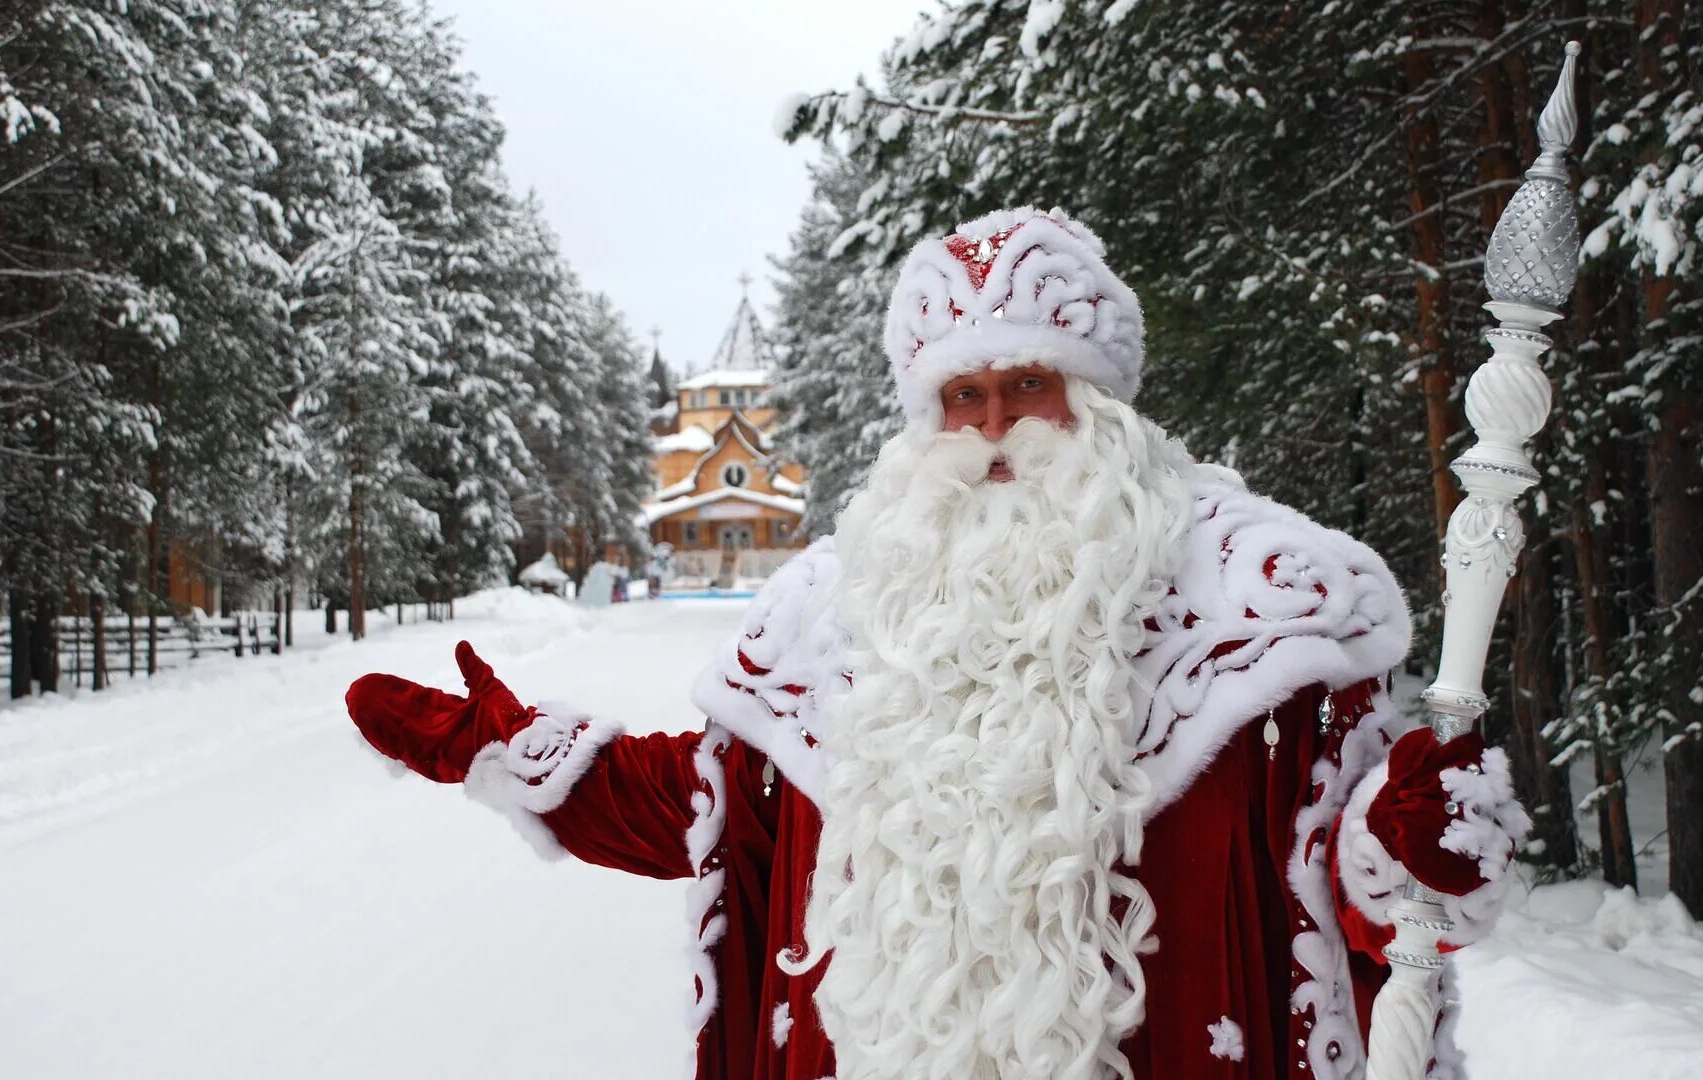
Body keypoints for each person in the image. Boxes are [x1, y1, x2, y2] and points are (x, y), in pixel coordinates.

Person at [346, 208, 1527, 1080]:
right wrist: (496, 747)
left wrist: (1410, 843)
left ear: (1099, 400)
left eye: (1029, 383)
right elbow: (713, 808)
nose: (998, 423)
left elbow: (1361, 889)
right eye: (964, 397)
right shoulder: (837, 608)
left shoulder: (1264, 611)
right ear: (926, 416)